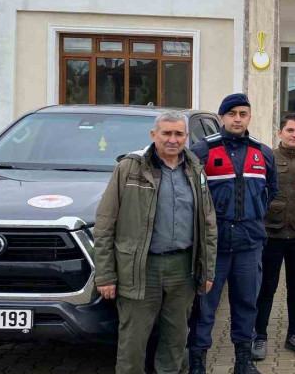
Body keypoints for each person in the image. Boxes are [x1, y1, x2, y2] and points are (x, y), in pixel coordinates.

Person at [93, 111, 217, 374]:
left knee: (175, 341)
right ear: (154, 135)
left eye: (178, 134)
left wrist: (207, 270)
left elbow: (208, 223)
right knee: (133, 343)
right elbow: (105, 223)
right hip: (140, 269)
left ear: (186, 136)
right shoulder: (129, 168)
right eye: (166, 133)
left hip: (183, 268)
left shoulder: (195, 169)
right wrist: (105, 275)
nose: (172, 140)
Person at [187, 93, 278, 374]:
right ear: (222, 117)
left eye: (243, 114)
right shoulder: (202, 151)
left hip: (249, 244)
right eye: (232, 114)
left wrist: (254, 213)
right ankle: (198, 363)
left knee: (246, 303)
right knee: (205, 307)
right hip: (213, 245)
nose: (237, 119)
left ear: (249, 117)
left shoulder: (262, 152)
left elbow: (271, 190)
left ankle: (244, 361)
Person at [252, 113, 295, 360]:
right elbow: (258, 191)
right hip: (272, 234)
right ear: (279, 132)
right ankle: (259, 336)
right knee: (267, 286)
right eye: (290, 130)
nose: (294, 135)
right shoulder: (266, 157)